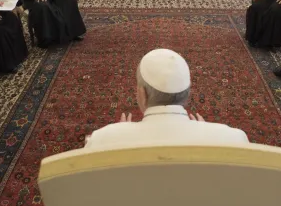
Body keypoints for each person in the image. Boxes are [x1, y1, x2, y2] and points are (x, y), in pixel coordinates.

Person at [85, 49, 249, 149]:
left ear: (142, 94)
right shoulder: (234, 139)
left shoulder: (101, 140)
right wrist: (209, 134)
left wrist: (117, 134)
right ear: (187, 94)